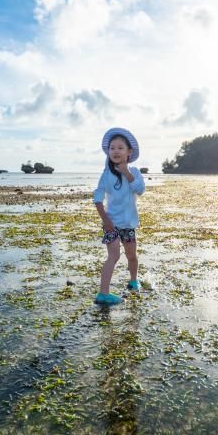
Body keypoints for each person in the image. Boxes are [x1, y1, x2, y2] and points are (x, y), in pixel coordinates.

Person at [93, 127, 145, 305]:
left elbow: (140, 190)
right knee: (113, 256)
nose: (115, 151)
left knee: (132, 256)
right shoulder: (106, 174)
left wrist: (126, 172)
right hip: (111, 224)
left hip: (128, 224)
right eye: (112, 147)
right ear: (108, 152)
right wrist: (106, 221)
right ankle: (103, 293)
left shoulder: (135, 173)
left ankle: (133, 280)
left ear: (129, 152)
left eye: (120, 147)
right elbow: (97, 198)